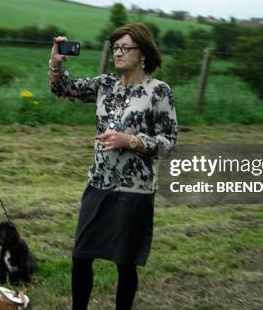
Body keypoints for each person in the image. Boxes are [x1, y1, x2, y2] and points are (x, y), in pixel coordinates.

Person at [48, 23, 178, 310]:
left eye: (125, 48)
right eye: (115, 47)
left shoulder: (158, 92)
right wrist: (56, 64)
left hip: (134, 189)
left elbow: (169, 143)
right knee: (81, 255)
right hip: (98, 183)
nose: (117, 53)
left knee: (125, 262)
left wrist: (129, 141)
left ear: (142, 53)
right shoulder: (105, 85)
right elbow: (63, 89)